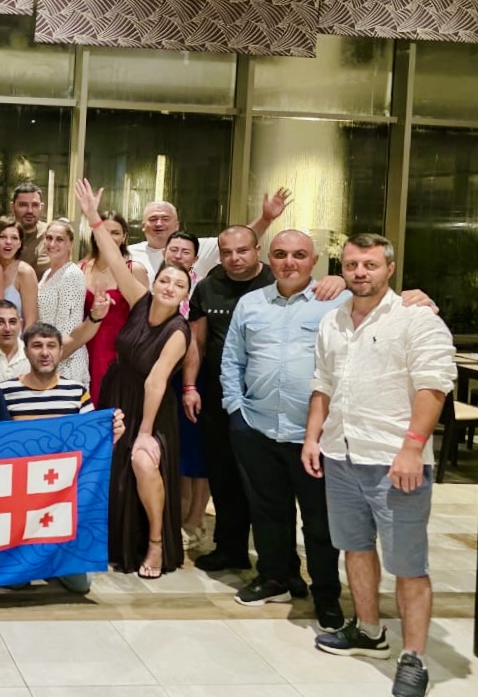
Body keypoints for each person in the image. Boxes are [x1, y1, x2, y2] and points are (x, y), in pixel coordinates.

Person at [304, 234, 455, 697]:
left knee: (408, 563)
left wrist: (412, 447)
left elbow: (434, 386)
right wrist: (312, 437)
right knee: (355, 548)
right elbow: (323, 383)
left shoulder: (416, 318)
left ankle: (414, 657)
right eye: (352, 264)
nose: (360, 272)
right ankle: (368, 630)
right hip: (341, 454)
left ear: (389, 268)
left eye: (369, 264)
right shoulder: (332, 320)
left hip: (395, 460)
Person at [183, 226, 346, 574]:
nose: (234, 258)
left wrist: (343, 280)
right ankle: (237, 552)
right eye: (226, 252)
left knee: (302, 505)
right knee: (230, 482)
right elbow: (209, 347)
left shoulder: (297, 286)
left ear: (258, 251)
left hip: (303, 416)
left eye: (242, 250)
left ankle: (299, 575)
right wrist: (205, 393)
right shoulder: (211, 287)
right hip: (235, 404)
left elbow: (370, 302)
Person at [220, 230, 346, 632]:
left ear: (314, 260)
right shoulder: (251, 303)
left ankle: (326, 593)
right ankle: (275, 577)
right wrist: (236, 408)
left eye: (299, 255)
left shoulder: (337, 302)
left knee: (320, 521)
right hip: (256, 426)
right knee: (267, 512)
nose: (289, 262)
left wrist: (418, 298)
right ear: (269, 259)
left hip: (314, 436)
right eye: (280, 254)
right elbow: (232, 359)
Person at [76, 178, 190, 579]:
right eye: (165, 280)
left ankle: (155, 543)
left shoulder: (178, 331)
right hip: (116, 392)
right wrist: (92, 217)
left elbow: (156, 382)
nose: (169, 287)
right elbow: (112, 254)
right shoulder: (140, 300)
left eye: (179, 284)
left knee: (142, 461)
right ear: (154, 283)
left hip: (150, 409)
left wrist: (144, 433)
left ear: (185, 295)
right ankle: (108, 540)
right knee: (111, 468)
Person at [0, 321, 100, 594]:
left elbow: (93, 441)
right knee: (15, 582)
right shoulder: (5, 392)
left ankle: (51, 558)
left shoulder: (76, 392)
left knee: (81, 584)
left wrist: (112, 432)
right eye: (37, 346)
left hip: (62, 497)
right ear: (26, 351)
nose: (45, 353)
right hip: (20, 496)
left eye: (51, 346)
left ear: (59, 351)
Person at [162, 229, 209, 549]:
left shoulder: (199, 290)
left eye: (185, 251)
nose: (178, 255)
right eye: (173, 249)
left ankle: (195, 519)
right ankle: (176, 516)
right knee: (175, 451)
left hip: (192, 377)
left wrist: (189, 383)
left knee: (196, 453)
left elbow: (197, 343)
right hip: (163, 377)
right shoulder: (161, 284)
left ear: (195, 258)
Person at [127, 191, 289, 279]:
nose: (159, 224)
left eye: (165, 219)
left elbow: (240, 239)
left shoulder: (198, 246)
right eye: (153, 219)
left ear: (177, 225)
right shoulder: (128, 253)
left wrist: (265, 219)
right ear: (143, 226)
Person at [79, 211, 149, 404]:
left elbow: (144, 318)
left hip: (120, 350)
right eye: (103, 231)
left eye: (115, 233)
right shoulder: (80, 268)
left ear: (124, 236)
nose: (108, 237)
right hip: (85, 347)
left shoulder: (134, 269)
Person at [36, 219, 89, 385]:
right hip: (48, 355)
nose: (52, 244)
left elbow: (68, 328)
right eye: (49, 238)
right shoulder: (47, 274)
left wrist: (51, 360)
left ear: (70, 244)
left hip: (66, 363)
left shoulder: (71, 274)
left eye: (59, 239)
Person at [0, 217, 38, 326]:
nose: (8, 242)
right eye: (2, 237)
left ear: (20, 244)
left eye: (14, 238)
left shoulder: (25, 272)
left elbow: (31, 321)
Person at [10, 181, 49, 274]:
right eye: (23, 205)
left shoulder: (51, 234)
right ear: (12, 207)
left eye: (35, 205)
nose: (30, 211)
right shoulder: (0, 234)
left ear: (41, 207)